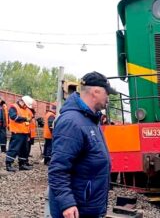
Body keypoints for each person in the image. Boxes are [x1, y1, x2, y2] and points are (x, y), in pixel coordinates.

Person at [48, 71, 117, 218]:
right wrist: (67, 203)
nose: (108, 98)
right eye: (107, 93)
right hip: (77, 209)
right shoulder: (72, 122)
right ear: (95, 92)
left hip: (88, 205)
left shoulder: (90, 119)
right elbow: (58, 169)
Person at [5, 96, 34, 172]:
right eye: (25, 105)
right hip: (17, 133)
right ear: (22, 102)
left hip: (25, 133)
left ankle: (22, 164)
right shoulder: (13, 107)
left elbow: (29, 119)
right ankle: (9, 164)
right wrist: (25, 119)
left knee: (24, 149)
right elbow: (14, 117)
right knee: (14, 148)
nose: (26, 107)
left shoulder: (26, 109)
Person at [26, 100, 37, 166]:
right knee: (26, 148)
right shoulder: (28, 112)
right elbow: (27, 123)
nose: (36, 106)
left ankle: (26, 161)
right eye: (35, 105)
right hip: (28, 133)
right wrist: (27, 135)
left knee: (28, 147)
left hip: (31, 134)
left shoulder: (31, 112)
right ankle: (24, 161)